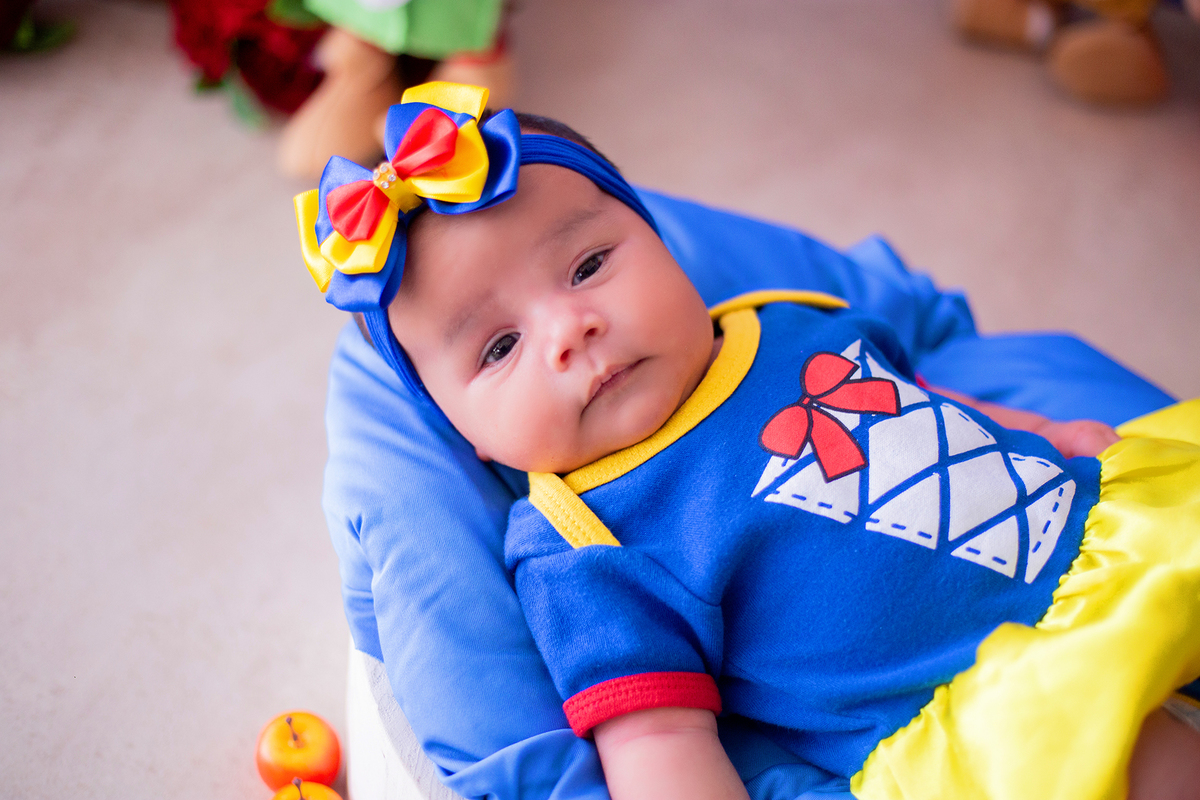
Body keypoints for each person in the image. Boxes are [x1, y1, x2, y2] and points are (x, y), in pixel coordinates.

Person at [297, 82, 1200, 799]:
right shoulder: (582, 542)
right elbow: (655, 734)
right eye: (500, 349)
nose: (570, 329)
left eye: (588, 266)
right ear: (470, 442)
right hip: (994, 684)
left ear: (662, 246)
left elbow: (920, 393)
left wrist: (1048, 430)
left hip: (1098, 540)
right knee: (1153, 766)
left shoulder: (775, 320)